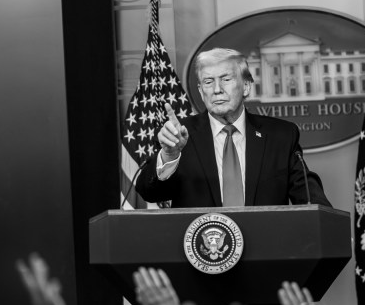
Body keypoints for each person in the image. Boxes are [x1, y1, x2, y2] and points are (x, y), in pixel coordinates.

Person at [134, 48, 330, 208]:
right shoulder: (179, 136)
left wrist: (325, 219)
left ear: (246, 86)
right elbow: (149, 193)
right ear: (202, 92)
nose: (217, 89)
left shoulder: (281, 135)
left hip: (266, 249)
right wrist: (169, 155)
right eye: (208, 82)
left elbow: (307, 194)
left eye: (226, 79)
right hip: (200, 250)